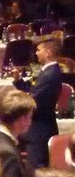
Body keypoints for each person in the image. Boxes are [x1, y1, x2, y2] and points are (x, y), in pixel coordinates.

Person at [21, 37, 63, 168]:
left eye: (39, 50)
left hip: (40, 129)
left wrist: (12, 105)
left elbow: (33, 100)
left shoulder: (49, 74)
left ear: (48, 52)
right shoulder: (50, 71)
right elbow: (34, 92)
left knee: (37, 170)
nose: (36, 53)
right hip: (43, 126)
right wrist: (19, 82)